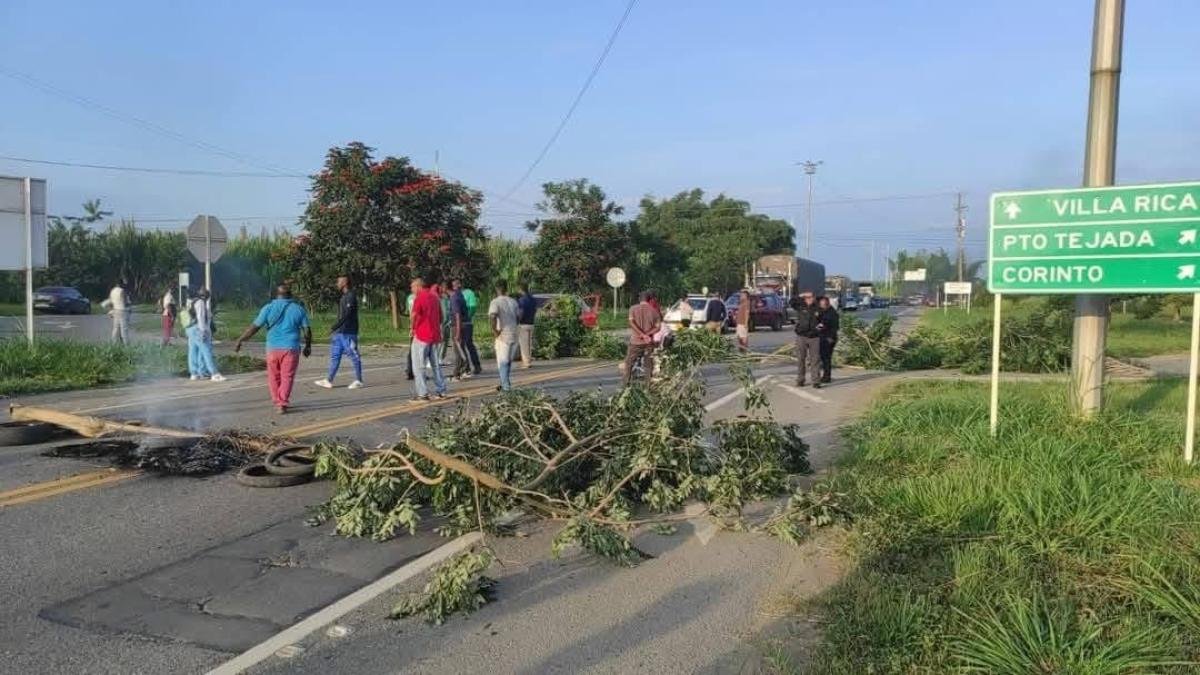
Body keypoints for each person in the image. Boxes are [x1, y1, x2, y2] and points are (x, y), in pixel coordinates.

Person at [234, 284, 312, 413]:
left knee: (273, 376)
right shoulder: (298, 309)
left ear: (276, 295)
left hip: (272, 349)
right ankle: (282, 402)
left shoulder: (268, 308)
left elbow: (254, 327)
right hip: (291, 348)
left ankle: (277, 401)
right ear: (290, 294)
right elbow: (307, 330)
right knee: (287, 376)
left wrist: (240, 339)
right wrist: (308, 346)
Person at [314, 274, 363, 390]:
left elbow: (347, 315)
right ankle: (328, 380)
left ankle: (359, 380)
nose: (337, 284)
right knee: (335, 356)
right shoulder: (343, 297)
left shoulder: (351, 296)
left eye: (338, 282)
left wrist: (333, 327)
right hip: (339, 333)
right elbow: (342, 316)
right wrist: (336, 330)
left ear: (344, 282)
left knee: (354, 356)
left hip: (348, 332)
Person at [409, 277, 447, 401]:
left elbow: (414, 314)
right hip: (434, 336)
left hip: (422, 335)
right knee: (436, 365)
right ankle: (441, 390)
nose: (412, 290)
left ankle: (423, 393)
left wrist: (412, 328)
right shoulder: (435, 297)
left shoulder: (419, 298)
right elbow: (442, 317)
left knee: (419, 366)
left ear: (418, 286)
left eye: (413, 287)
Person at [184, 288, 225, 382]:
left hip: (190, 329)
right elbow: (201, 317)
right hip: (198, 329)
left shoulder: (190, 301)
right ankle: (214, 374)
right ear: (205, 296)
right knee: (206, 350)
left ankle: (195, 373)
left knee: (193, 351)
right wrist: (203, 332)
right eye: (207, 296)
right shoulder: (200, 303)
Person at [622, 290, 662, 386]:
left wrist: (642, 334)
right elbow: (658, 327)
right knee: (648, 365)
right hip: (648, 343)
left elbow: (631, 322)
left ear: (639, 299)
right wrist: (647, 334)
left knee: (629, 363)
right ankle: (648, 385)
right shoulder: (654, 311)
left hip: (635, 342)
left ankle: (626, 384)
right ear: (649, 299)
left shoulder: (633, 309)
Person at [488, 280, 521, 391]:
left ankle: (506, 387)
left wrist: (495, 330)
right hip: (514, 333)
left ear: (497, 289)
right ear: (506, 288)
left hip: (503, 335)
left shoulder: (495, 302)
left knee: (502, 362)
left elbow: (493, 316)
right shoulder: (513, 302)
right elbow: (519, 317)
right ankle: (505, 383)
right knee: (508, 362)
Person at [450, 279, 482, 379]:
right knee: (462, 346)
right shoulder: (456, 295)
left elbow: (473, 307)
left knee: (468, 344)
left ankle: (476, 365)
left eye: (457, 284)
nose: (456, 286)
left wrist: (468, 317)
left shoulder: (468, 293)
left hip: (465, 323)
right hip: (462, 323)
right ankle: (466, 368)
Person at [791, 290, 822, 388]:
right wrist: (802, 295)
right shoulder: (800, 306)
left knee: (815, 360)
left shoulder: (818, 308)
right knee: (801, 359)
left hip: (814, 338)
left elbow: (823, 322)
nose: (810, 299)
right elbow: (791, 301)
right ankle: (800, 380)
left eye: (812, 297)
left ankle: (816, 381)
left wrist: (817, 330)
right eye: (808, 297)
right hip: (802, 336)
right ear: (805, 299)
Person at [816, 295, 840, 384]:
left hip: (828, 338)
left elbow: (825, 325)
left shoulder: (831, 314)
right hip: (825, 337)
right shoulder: (825, 311)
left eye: (822, 305)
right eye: (820, 305)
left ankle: (827, 377)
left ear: (827, 304)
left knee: (826, 358)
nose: (821, 306)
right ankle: (826, 375)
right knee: (824, 358)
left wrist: (816, 329)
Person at [101, 279, 131, 344]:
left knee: (116, 328)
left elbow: (111, 301)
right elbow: (125, 302)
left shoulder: (113, 291)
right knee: (124, 329)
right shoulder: (122, 291)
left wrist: (110, 310)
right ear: (121, 284)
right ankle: (126, 343)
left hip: (116, 310)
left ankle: (114, 343)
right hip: (122, 311)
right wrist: (129, 306)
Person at [516, 284, 537, 368]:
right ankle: (528, 360)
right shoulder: (533, 299)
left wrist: (517, 321)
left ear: (521, 290)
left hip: (523, 324)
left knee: (524, 345)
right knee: (529, 343)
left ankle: (526, 363)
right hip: (531, 323)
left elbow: (521, 312)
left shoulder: (521, 300)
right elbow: (535, 310)